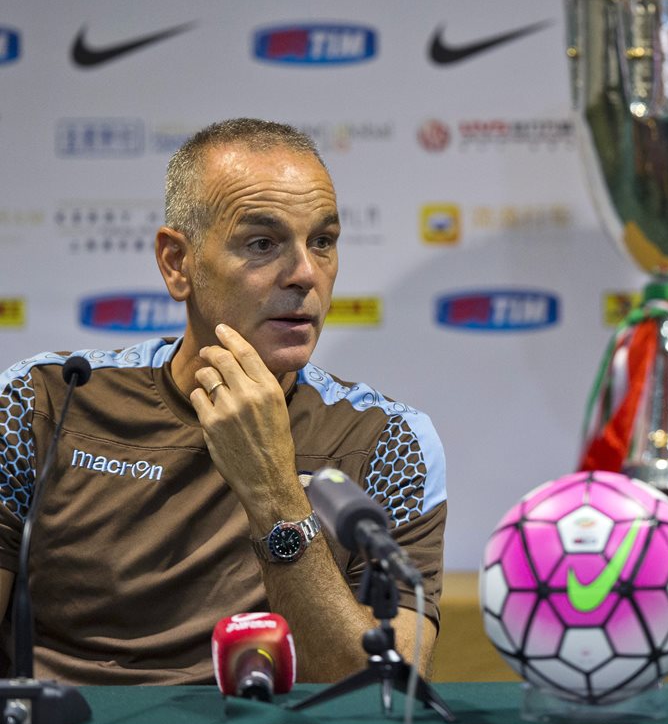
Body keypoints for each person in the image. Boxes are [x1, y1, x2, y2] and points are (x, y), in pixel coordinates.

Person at [0, 118, 447, 685]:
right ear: (176, 263)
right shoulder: (43, 403)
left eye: (323, 242)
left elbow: (387, 692)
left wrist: (275, 496)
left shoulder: (385, 441)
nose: (306, 274)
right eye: (262, 244)